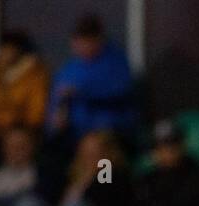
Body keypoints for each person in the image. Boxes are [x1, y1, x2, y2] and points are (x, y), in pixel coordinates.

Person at [45, 15, 137, 149]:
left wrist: (82, 92)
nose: (81, 46)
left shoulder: (116, 62)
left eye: (86, 42)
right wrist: (55, 121)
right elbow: (56, 99)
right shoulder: (69, 69)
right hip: (73, 135)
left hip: (109, 132)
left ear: (98, 40)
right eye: (78, 41)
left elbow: (121, 91)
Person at [0, 30, 50, 164]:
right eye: (4, 48)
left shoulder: (35, 76)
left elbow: (36, 115)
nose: (6, 53)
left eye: (10, 49)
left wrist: (11, 129)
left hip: (23, 135)